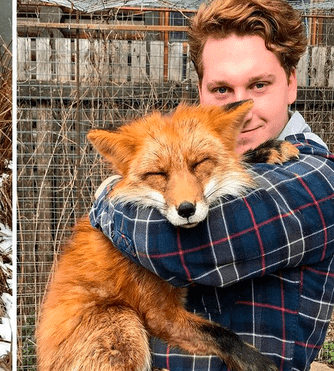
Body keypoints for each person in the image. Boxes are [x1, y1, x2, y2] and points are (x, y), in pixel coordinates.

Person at [89, 0, 334, 369]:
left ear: (291, 83)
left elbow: (174, 247)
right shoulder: (202, 158)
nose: (242, 107)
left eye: (259, 85)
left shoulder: (317, 177)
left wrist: (106, 199)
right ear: (201, 92)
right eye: (221, 89)